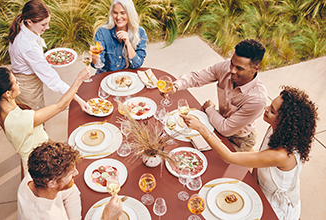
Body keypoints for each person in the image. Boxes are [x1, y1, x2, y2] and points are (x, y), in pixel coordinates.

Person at [181, 86, 318, 219]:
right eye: (270, 105)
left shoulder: (281, 155)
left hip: (274, 209)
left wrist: (201, 128)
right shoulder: (279, 132)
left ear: (284, 122)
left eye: (272, 111)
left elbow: (229, 157)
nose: (266, 109)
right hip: (258, 187)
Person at [0, 66, 90, 175]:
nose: (19, 84)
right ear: (7, 93)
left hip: (38, 157)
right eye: (15, 82)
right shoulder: (20, 119)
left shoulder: (0, 109)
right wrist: (79, 80)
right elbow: (60, 106)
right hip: (41, 167)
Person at [170, 39, 267, 152]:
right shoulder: (226, 67)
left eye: (239, 68)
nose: (232, 71)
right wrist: (175, 86)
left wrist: (209, 108)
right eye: (232, 63)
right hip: (216, 122)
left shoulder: (257, 100)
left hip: (238, 139)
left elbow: (225, 129)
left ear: (255, 68)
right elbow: (196, 77)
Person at [8, 0, 89, 112]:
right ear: (30, 21)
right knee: (34, 122)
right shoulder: (27, 45)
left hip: (27, 82)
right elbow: (52, 79)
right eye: (43, 24)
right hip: (27, 89)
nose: (47, 27)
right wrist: (78, 99)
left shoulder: (23, 27)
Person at [18, 140, 122, 220]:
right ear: (52, 183)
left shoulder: (34, 177)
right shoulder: (42, 216)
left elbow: (72, 192)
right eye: (71, 173)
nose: (77, 173)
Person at [91, 0, 147, 74]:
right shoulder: (102, 31)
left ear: (130, 14)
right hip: (105, 76)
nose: (118, 17)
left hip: (127, 77)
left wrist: (128, 43)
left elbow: (137, 65)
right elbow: (98, 64)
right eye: (115, 13)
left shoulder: (140, 32)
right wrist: (95, 58)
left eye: (123, 13)